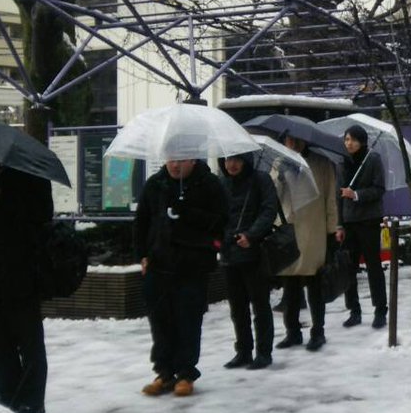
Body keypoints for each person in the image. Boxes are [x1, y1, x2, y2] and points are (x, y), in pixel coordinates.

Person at [134, 151, 229, 397]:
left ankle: (185, 373)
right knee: (160, 322)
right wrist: (142, 254)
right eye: (171, 159)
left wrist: (187, 211)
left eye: (181, 159)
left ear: (193, 160)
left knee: (188, 320)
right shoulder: (156, 184)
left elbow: (220, 222)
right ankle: (164, 373)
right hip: (158, 265)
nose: (175, 165)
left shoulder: (208, 185)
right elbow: (142, 222)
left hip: (192, 266)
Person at [0, 165, 53, 413]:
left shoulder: (28, 171)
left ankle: (32, 401)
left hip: (22, 274)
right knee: (1, 345)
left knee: (30, 344)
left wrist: (3, 198)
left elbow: (43, 215)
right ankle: (7, 399)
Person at [276, 136, 339, 352]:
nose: (291, 143)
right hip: (287, 230)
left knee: (314, 284)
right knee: (289, 286)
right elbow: (271, 193)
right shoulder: (278, 162)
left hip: (313, 230)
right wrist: (280, 176)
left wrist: (332, 230)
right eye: (287, 140)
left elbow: (331, 198)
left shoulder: (321, 163)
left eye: (295, 140)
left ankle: (318, 331)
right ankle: (292, 332)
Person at [219, 153, 279, 370]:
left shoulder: (260, 179)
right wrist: (223, 238)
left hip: (254, 252)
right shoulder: (222, 183)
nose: (231, 165)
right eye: (227, 160)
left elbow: (268, 210)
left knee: (260, 304)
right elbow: (217, 215)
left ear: (246, 160)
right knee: (237, 307)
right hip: (229, 253)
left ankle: (264, 352)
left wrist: (251, 235)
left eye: (236, 159)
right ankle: (243, 350)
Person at [336, 125, 387, 330]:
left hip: (369, 220)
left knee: (374, 266)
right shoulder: (342, 162)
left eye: (354, 140)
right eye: (347, 139)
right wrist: (339, 223)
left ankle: (380, 310)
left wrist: (356, 195)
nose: (349, 143)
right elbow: (337, 196)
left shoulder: (372, 159)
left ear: (362, 141)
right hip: (349, 222)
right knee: (349, 267)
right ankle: (354, 310)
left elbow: (379, 189)